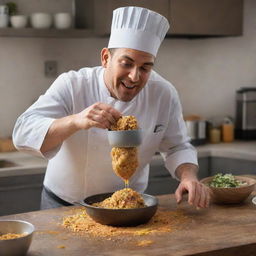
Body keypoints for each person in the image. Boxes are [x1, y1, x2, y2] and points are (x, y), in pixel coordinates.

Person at [13, 6, 210, 210]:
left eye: (145, 68)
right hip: (64, 205)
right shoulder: (73, 84)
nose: (134, 76)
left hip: (129, 206)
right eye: (126, 63)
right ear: (106, 58)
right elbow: (22, 132)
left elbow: (177, 146)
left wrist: (189, 176)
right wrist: (75, 121)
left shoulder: (163, 93)